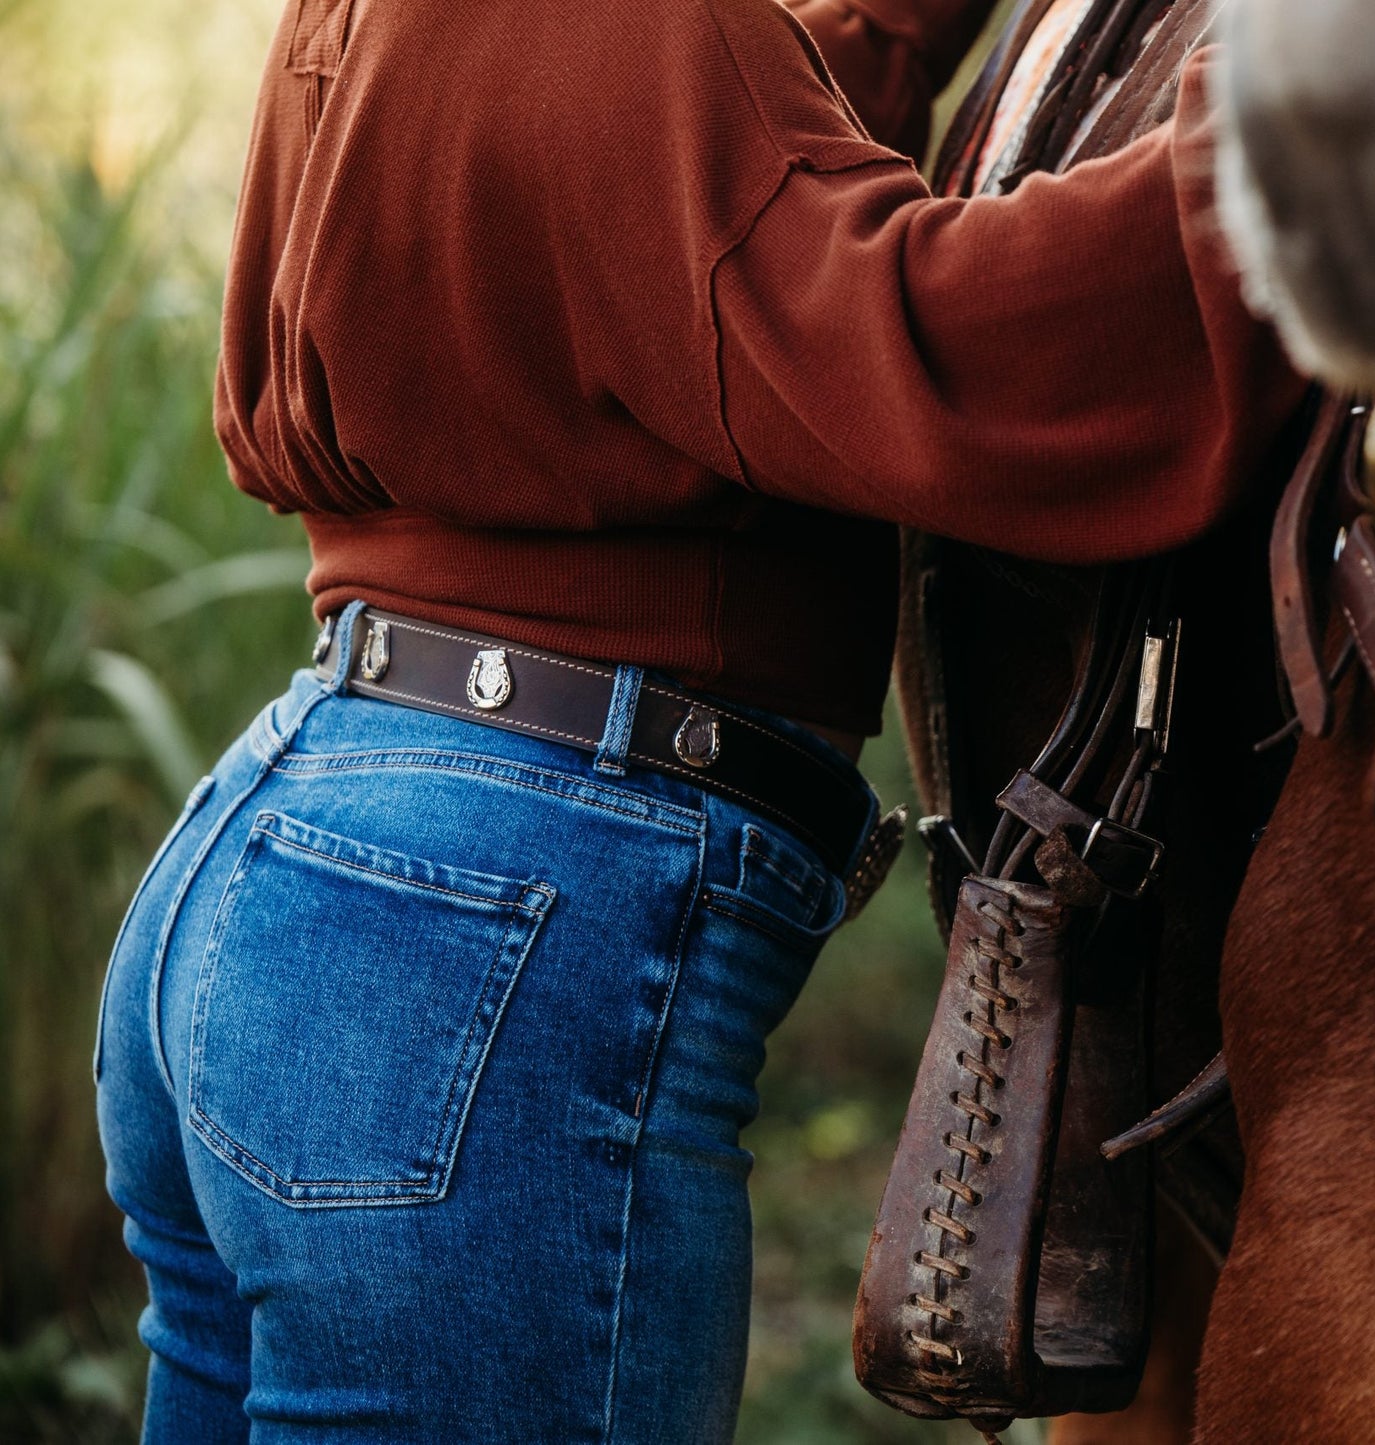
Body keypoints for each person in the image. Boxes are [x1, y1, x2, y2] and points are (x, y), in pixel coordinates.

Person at [93, 0, 1306, 1439]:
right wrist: (1309, 114)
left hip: (293, 867)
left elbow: (684, 254)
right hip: (477, 945)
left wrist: (890, 28)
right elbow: (937, 354)